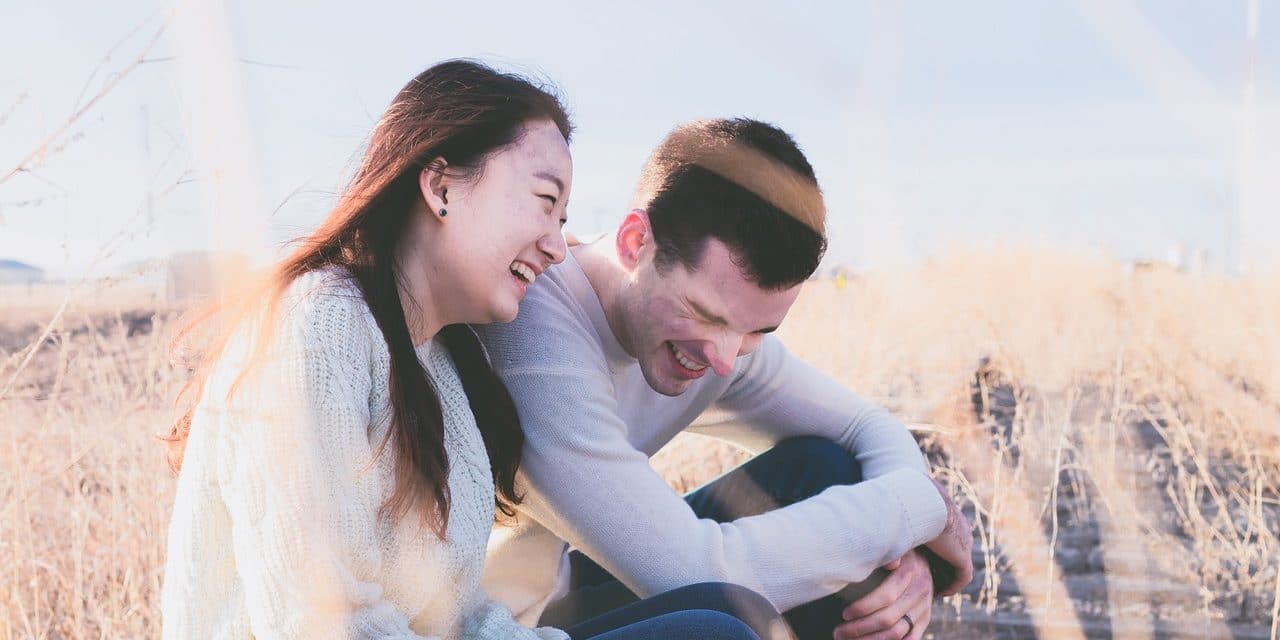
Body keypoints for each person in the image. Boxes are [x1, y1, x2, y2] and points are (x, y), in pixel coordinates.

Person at [159, 61, 783, 640]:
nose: (557, 247)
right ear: (441, 186)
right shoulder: (320, 325)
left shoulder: (436, 361)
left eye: (565, 221)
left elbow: (456, 615)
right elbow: (320, 622)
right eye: (545, 202)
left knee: (733, 610)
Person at [476, 118, 975, 640]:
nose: (724, 358)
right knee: (726, 627)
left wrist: (907, 554)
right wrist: (920, 510)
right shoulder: (534, 328)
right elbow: (696, 572)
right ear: (634, 242)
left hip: (559, 595)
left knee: (827, 466)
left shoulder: (721, 342)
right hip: (488, 625)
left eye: (758, 329)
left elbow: (864, 426)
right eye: (706, 315)